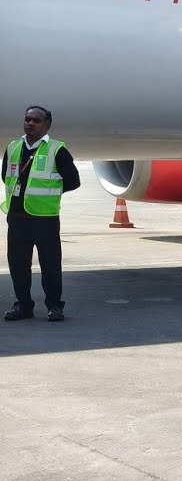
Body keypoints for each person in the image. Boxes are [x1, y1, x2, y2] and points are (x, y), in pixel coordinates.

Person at [4, 106, 80, 322]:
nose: (30, 123)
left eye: (36, 120)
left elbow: (73, 181)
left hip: (44, 219)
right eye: (27, 119)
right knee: (18, 265)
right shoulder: (13, 147)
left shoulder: (57, 150)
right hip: (17, 219)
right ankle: (24, 305)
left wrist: (50, 194)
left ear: (46, 126)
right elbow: (6, 177)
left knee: (50, 266)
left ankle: (54, 306)